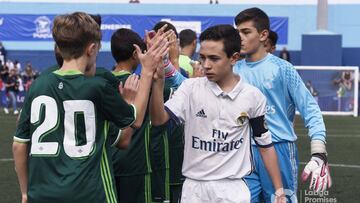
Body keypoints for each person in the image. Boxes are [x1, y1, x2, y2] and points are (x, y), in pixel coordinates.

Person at [12, 12, 168, 203]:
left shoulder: (38, 85)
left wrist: (25, 192)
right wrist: (147, 70)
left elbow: (19, 145)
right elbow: (135, 120)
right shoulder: (97, 86)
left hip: (43, 194)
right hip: (91, 193)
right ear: (92, 49)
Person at [150, 24, 286, 203]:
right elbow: (159, 120)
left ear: (234, 58)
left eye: (214, 58)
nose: (206, 65)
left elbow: (265, 145)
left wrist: (279, 190)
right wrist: (158, 82)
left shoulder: (252, 97)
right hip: (194, 190)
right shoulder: (190, 89)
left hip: (233, 189)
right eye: (203, 58)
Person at [233, 7, 331, 202]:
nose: (240, 38)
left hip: (279, 149)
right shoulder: (233, 69)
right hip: (241, 152)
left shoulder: (283, 69)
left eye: (245, 32)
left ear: (263, 35)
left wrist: (318, 148)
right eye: (237, 33)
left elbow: (309, 107)